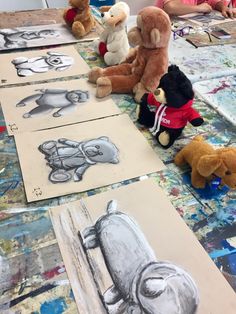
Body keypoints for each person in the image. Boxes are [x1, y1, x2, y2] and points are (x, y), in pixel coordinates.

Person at [155, 0, 236, 18]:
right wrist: (199, 8)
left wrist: (223, 7)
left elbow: (212, 2)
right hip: (159, 29)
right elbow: (171, 7)